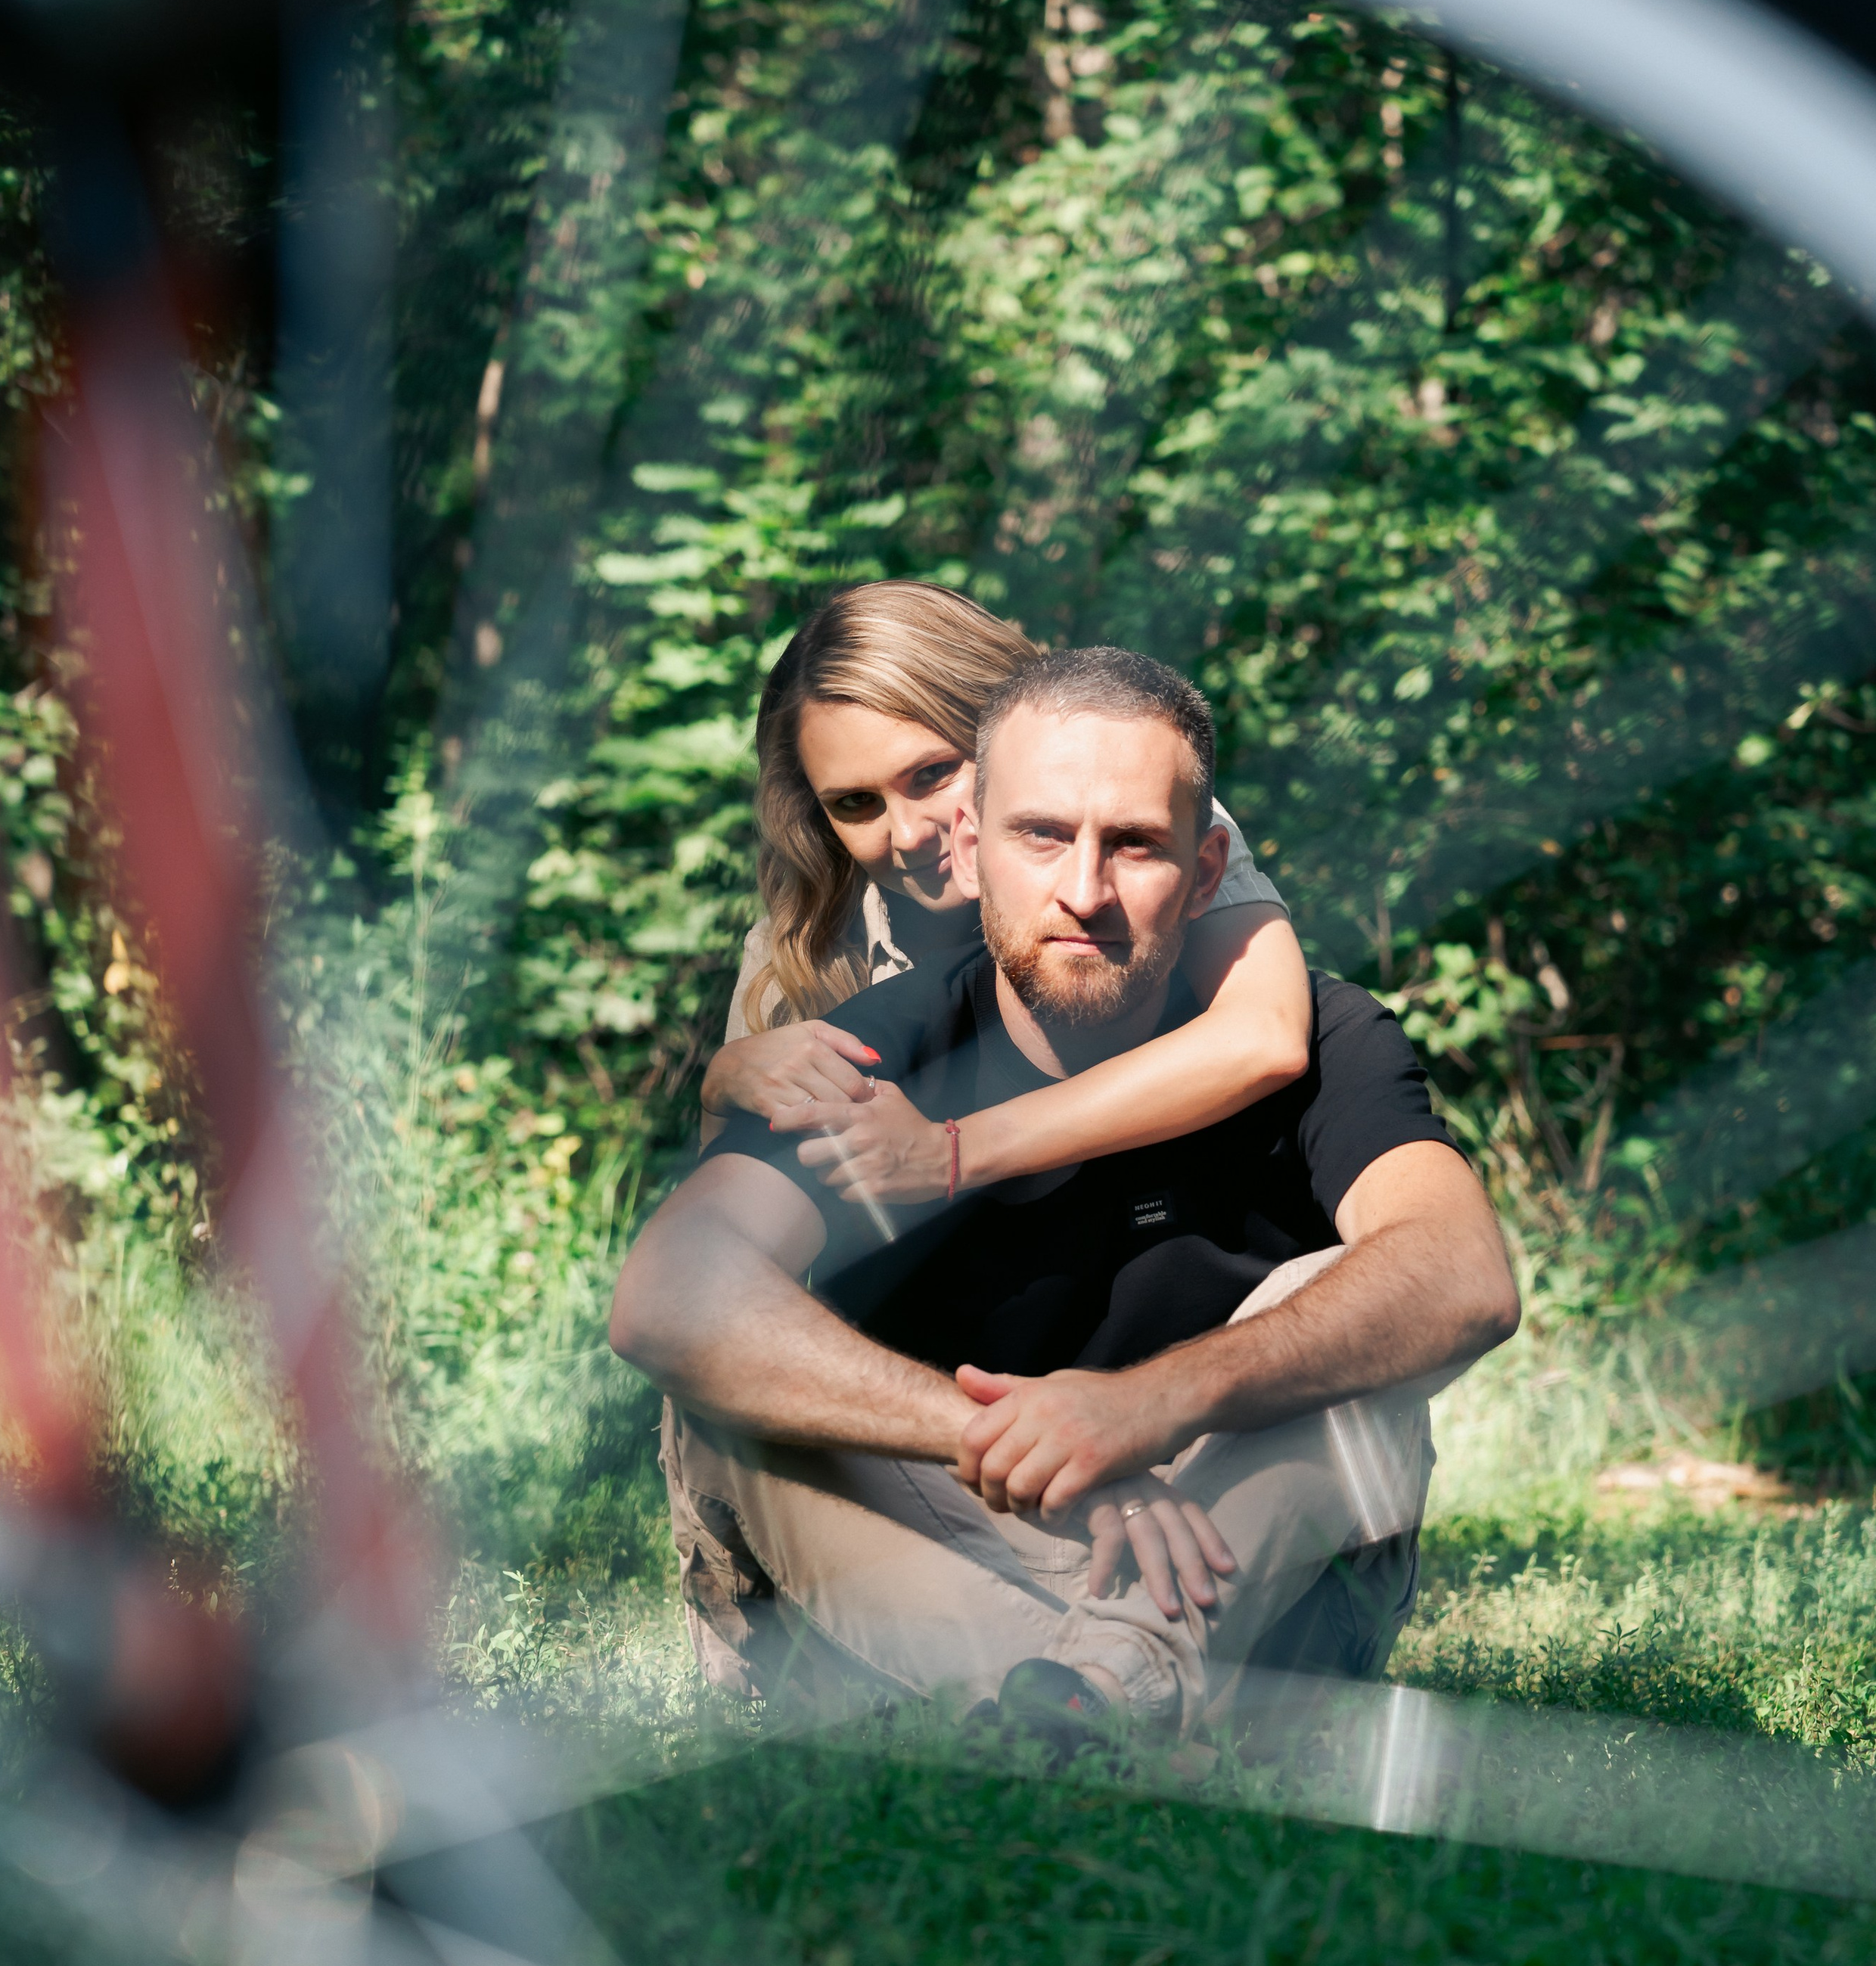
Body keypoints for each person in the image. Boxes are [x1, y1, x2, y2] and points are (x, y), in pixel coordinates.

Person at [612, 643, 1520, 1735]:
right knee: (740, 1370)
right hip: (971, 1540)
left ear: (1208, 868)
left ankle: (1081, 1699)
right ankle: (1090, 1708)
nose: (1084, 893)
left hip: (1238, 1557)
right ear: (972, 846)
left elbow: (1462, 1276)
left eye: (1133, 845)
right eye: (1040, 835)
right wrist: (1030, 1447)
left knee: (1348, 1299)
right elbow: (671, 1293)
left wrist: (1143, 1408)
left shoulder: (1322, 1036)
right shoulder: (873, 1052)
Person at [699, 582, 1313, 1209]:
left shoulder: (1146, 830)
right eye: (855, 803)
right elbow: (725, 1219)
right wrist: (723, 1090)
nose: (908, 836)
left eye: (933, 773)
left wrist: (950, 1153)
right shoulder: (795, 946)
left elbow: (1265, 1036)